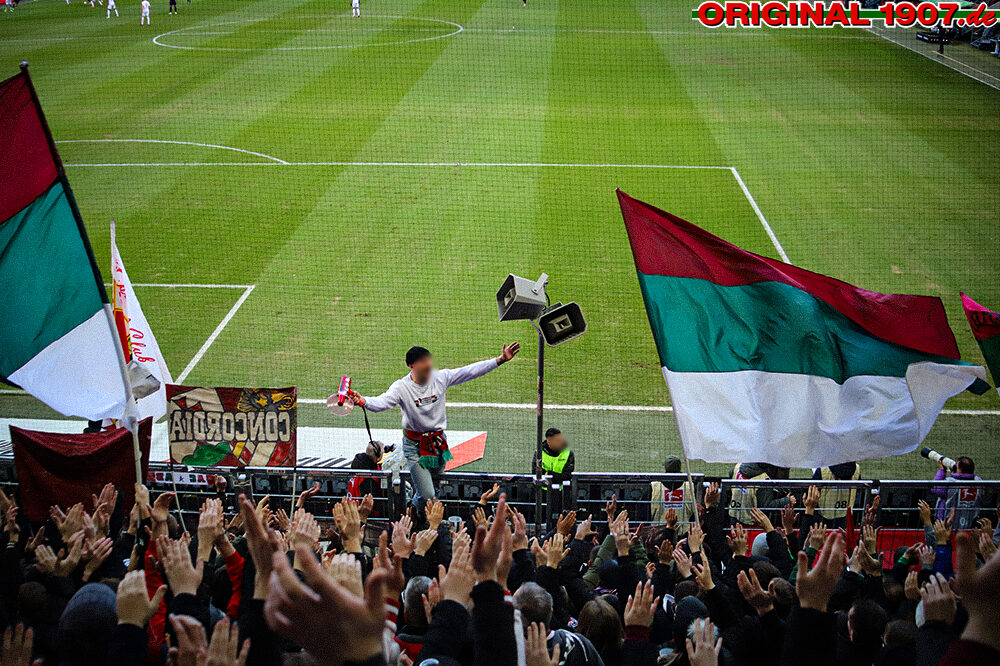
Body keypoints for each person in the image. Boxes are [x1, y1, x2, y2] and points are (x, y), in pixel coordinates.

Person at [347, 343, 519, 515]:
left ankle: (418, 514)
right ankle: (420, 514)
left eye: (428, 360)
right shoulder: (401, 387)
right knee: (428, 494)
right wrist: (364, 401)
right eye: (423, 361)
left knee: (434, 487)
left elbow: (469, 371)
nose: (428, 364)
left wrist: (500, 360)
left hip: (438, 443)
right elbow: (382, 402)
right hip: (414, 447)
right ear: (411, 366)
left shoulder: (440, 377)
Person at [532, 427, 576, 520]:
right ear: (549, 442)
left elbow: (567, 476)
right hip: (543, 493)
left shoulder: (568, 453)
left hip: (562, 494)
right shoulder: (539, 453)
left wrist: (549, 474)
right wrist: (556, 477)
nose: (561, 442)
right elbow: (536, 474)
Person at [931, 456, 982, 530]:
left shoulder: (951, 482)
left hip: (948, 522)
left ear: (960, 470)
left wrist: (942, 471)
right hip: (969, 521)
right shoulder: (978, 481)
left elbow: (936, 489)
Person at [650, 455, 696, 536]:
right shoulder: (690, 487)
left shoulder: (654, 487)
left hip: (658, 537)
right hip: (684, 536)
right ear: (680, 470)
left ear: (665, 470)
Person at [812, 461, 860, 528]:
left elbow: (812, 491)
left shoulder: (823, 469)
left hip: (824, 513)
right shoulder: (857, 468)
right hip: (846, 511)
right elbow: (859, 490)